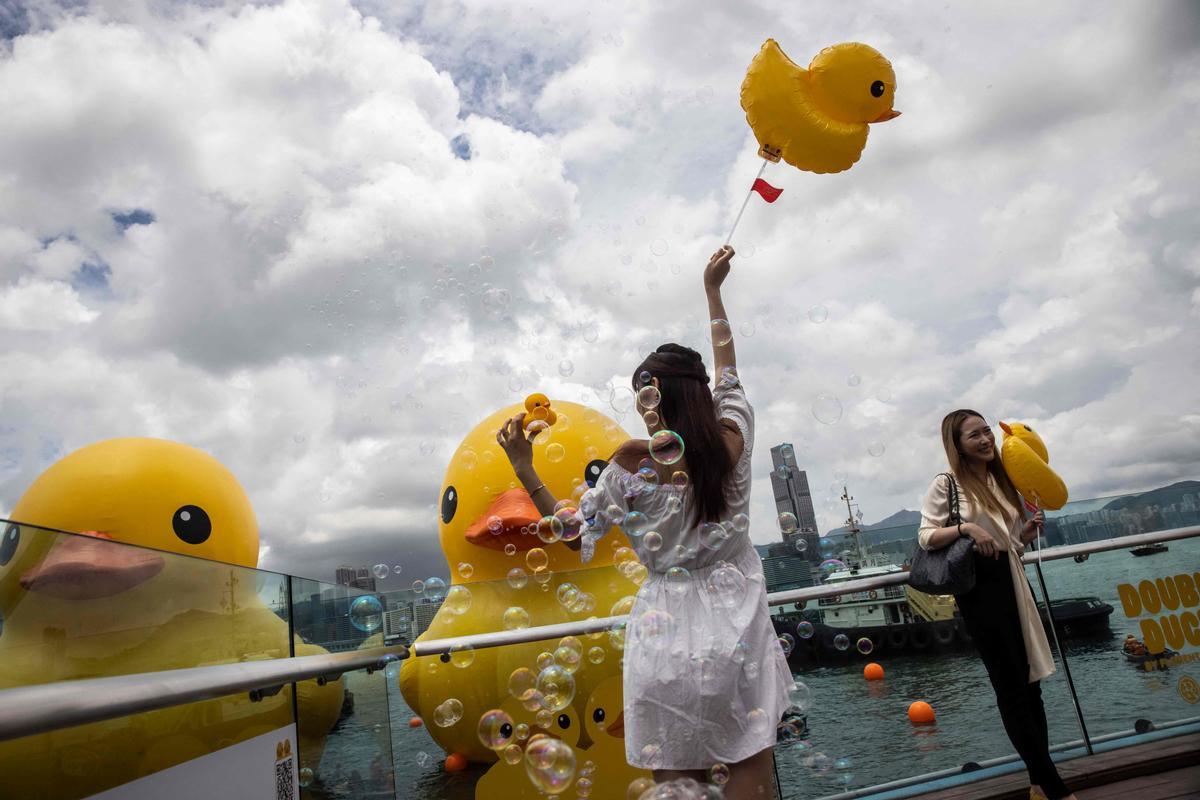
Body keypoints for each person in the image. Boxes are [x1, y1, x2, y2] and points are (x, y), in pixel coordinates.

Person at [497, 245, 791, 798]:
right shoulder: (732, 436)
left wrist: (523, 467)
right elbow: (728, 372)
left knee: (676, 787)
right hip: (738, 631)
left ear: (652, 403)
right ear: (698, 395)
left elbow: (571, 529)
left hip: (662, 639)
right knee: (750, 778)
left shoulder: (627, 466)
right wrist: (713, 291)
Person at [918, 410, 1078, 800]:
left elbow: (1009, 544)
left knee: (1031, 686)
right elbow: (926, 536)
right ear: (956, 445)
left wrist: (1021, 533)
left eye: (987, 430)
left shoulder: (1001, 479)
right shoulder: (947, 483)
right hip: (980, 590)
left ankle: (1039, 785)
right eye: (975, 435)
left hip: (1013, 581)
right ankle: (1056, 789)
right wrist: (968, 529)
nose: (987, 439)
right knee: (1010, 688)